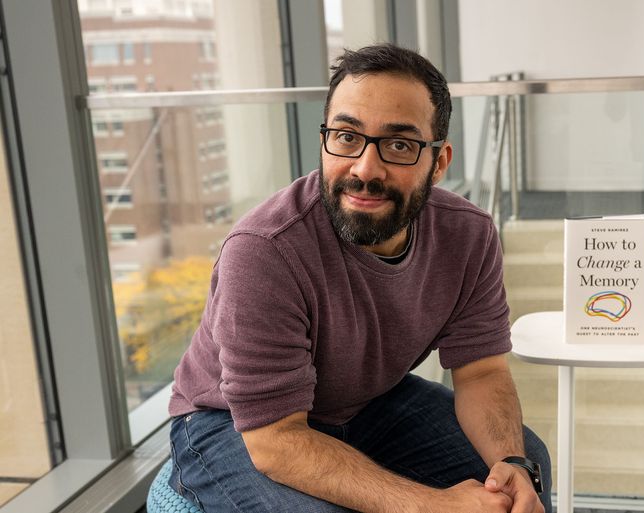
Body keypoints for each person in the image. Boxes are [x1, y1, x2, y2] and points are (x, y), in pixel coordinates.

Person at [167, 43, 552, 513]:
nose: (366, 169)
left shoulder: (468, 236)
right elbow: (274, 441)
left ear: (440, 161)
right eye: (347, 137)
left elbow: (482, 371)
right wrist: (430, 505)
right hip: (232, 424)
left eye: (399, 145)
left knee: (527, 467)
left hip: (366, 404)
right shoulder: (264, 250)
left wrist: (509, 462)